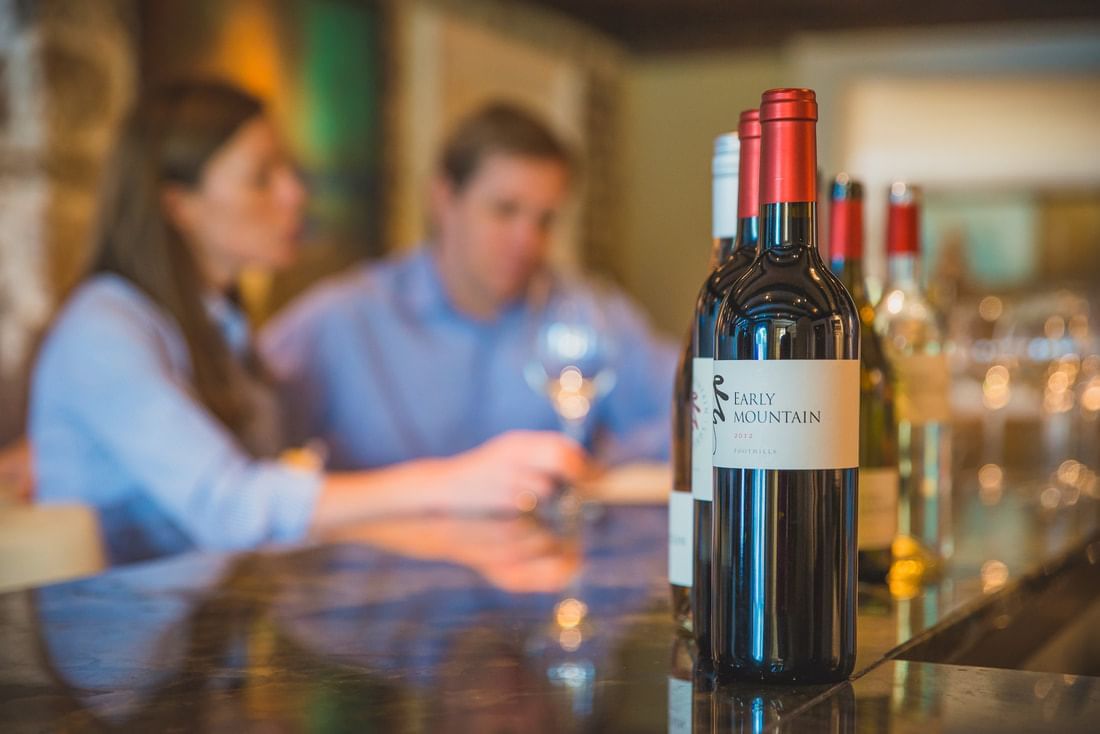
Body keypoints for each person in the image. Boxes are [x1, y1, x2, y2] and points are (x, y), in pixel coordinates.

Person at [29, 82, 585, 566]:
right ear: (179, 204)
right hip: (118, 670)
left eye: (288, 171)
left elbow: (268, 464)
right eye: (262, 177)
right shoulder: (103, 329)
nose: (296, 193)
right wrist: (452, 481)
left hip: (199, 650)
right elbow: (230, 506)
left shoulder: (218, 330)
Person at [261, 103, 676, 471]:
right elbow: (235, 442)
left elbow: (699, 412)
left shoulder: (590, 314)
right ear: (443, 198)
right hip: (389, 557)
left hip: (548, 553)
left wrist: (602, 463)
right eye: (504, 210)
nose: (527, 240)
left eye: (545, 220)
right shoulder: (345, 319)